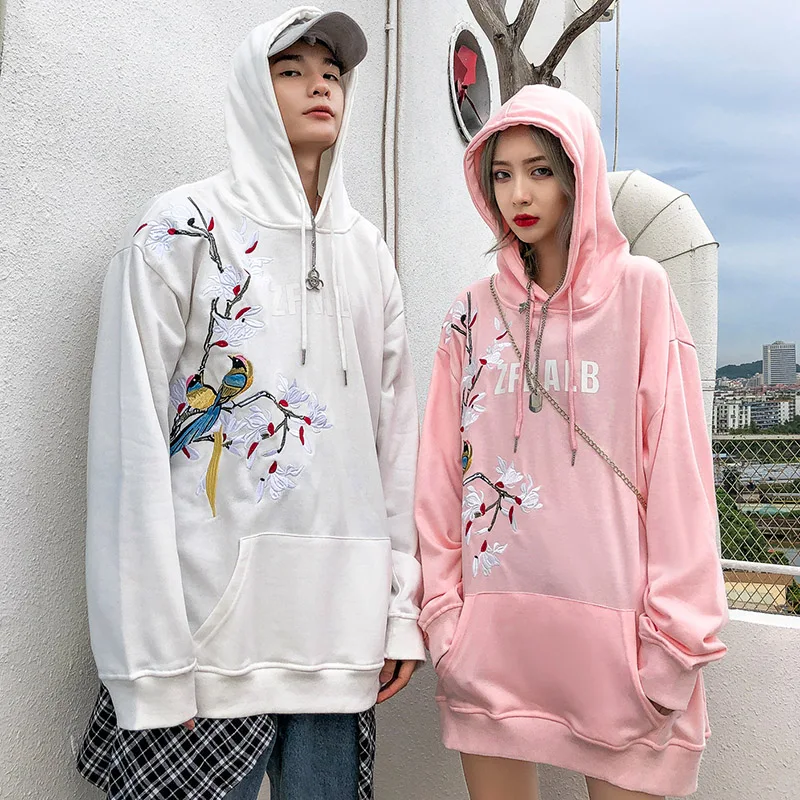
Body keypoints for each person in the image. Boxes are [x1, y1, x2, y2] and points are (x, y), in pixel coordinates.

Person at [77, 8, 424, 799]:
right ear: (250, 89)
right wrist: (148, 659)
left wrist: (400, 607)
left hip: (341, 635)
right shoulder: (183, 229)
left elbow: (397, 443)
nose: (318, 86)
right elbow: (128, 440)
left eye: (332, 73)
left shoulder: (368, 251)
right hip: (207, 642)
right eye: (291, 70)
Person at [415, 85, 728, 800]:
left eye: (541, 170)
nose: (519, 193)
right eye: (502, 173)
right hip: (491, 652)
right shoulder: (472, 313)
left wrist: (673, 648)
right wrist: (446, 619)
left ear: (577, 175)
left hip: (625, 661)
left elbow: (680, 474)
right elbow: (437, 474)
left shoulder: (641, 294)